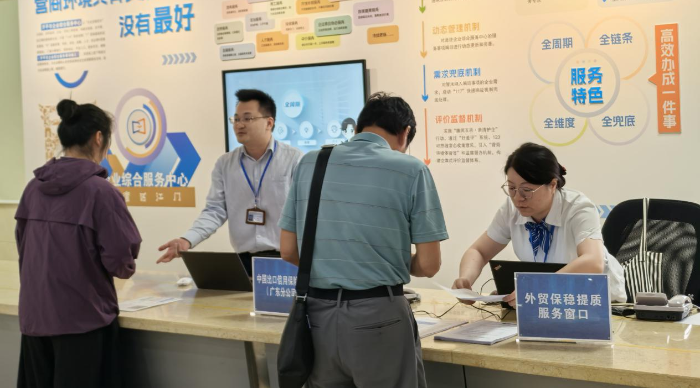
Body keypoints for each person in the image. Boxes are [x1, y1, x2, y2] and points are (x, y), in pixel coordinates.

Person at [279, 92, 448, 388]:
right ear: (405, 133)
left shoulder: (310, 163)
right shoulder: (411, 169)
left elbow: (289, 250)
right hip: (380, 316)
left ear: (358, 128)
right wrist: (386, 260)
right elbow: (429, 265)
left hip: (316, 318)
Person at [15, 99, 142, 388]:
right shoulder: (101, 192)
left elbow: (23, 247)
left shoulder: (33, 188)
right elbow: (121, 262)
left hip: (34, 318)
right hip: (83, 321)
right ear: (99, 138)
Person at [452, 142, 626, 304]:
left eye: (527, 190)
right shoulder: (511, 210)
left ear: (552, 185)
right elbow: (479, 251)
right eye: (511, 188)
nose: (518, 198)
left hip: (598, 302)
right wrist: (465, 279)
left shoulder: (578, 208)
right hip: (545, 301)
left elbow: (593, 262)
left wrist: (537, 287)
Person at [157, 89, 303, 275]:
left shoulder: (294, 159)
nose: (239, 125)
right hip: (243, 260)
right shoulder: (225, 164)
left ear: (269, 122)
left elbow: (304, 212)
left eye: (247, 118)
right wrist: (187, 240)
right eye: (236, 119)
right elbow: (215, 210)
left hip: (286, 260)